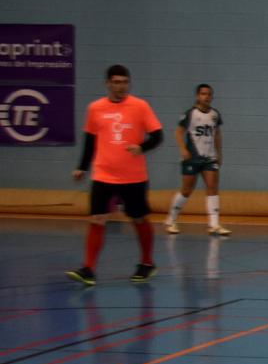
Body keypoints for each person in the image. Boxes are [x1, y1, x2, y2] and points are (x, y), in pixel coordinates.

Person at [66, 65, 164, 286]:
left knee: (138, 218)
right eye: (117, 82)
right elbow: (90, 141)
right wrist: (82, 166)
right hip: (103, 175)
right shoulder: (95, 108)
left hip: (134, 177)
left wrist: (142, 147)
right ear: (108, 84)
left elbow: (158, 136)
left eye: (124, 82)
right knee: (97, 220)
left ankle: (147, 263)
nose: (121, 86)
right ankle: (88, 269)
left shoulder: (140, 106)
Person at [165, 83, 230, 236]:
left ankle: (213, 224)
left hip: (209, 158)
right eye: (203, 94)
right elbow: (178, 133)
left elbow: (217, 134)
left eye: (209, 94)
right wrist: (182, 149)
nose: (206, 97)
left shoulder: (215, 114)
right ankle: (171, 219)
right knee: (187, 190)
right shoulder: (190, 114)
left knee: (212, 187)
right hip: (192, 157)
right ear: (197, 96)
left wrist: (219, 154)